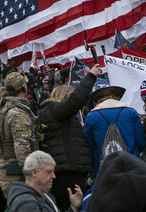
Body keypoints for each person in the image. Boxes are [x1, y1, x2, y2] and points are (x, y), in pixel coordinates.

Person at [37, 64, 98, 210]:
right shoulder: (54, 110)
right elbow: (75, 101)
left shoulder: (56, 114)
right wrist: (91, 77)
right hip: (66, 173)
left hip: (70, 170)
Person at [83, 83, 145, 177]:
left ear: (98, 101)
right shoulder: (131, 112)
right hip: (132, 165)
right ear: (117, 98)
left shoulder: (91, 116)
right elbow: (141, 142)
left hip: (104, 168)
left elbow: (89, 147)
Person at [0, 72, 38, 197]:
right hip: (16, 176)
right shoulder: (17, 114)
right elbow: (22, 147)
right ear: (24, 88)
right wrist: (33, 176)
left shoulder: (7, 108)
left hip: (10, 174)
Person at [6, 151, 83, 212]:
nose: (54, 176)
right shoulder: (26, 203)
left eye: (53, 172)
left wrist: (73, 208)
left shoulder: (40, 196)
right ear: (34, 172)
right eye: (49, 172)